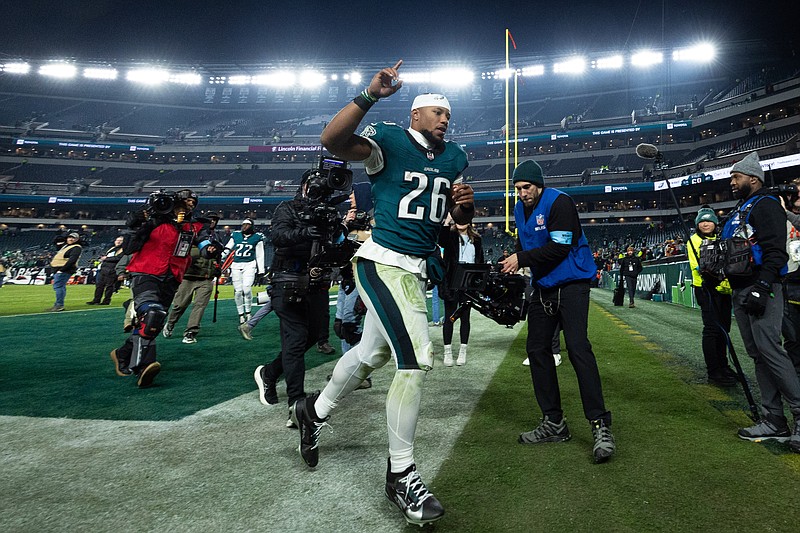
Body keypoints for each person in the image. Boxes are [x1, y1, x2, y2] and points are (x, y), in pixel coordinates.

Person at [292, 60, 474, 527]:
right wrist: (371, 94)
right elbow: (331, 141)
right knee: (413, 361)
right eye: (436, 112)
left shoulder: (455, 157)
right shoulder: (390, 140)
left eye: (447, 114)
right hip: (383, 260)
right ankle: (401, 474)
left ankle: (314, 410)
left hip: (414, 269)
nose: (444, 119)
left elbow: (452, 219)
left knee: (371, 353)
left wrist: (462, 210)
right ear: (415, 116)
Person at [500, 159, 615, 464]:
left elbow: (560, 248)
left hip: (573, 283)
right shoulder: (519, 209)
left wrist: (520, 257)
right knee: (537, 349)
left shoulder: (560, 202)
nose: (522, 193)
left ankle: (600, 423)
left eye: (526, 187)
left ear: (539, 184)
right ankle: (554, 422)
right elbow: (530, 244)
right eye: (518, 189)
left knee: (578, 349)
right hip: (545, 285)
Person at [721, 152, 800, 452]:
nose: (731, 181)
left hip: (760, 287)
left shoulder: (765, 205)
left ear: (752, 179)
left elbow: (775, 252)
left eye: (736, 177)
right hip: (742, 288)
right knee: (757, 353)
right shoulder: (742, 207)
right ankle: (775, 420)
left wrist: (763, 285)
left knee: (770, 350)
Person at [252, 170, 341, 420]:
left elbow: (333, 242)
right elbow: (278, 237)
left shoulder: (330, 213)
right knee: (296, 337)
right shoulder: (287, 207)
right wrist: (305, 232)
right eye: (315, 188)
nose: (319, 194)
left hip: (316, 282)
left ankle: (269, 373)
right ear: (304, 187)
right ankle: (296, 403)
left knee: (312, 336)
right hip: (287, 281)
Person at [109, 189, 218, 388]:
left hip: (172, 278)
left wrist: (209, 249)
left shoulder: (195, 225)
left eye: (194, 201)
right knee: (153, 314)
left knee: (153, 324)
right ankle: (143, 367)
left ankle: (122, 354)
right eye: (186, 201)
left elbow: (204, 244)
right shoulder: (153, 220)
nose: (190, 204)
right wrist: (134, 226)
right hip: (146, 272)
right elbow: (129, 248)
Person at [687, 207, 738, 387]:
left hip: (723, 289)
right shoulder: (693, 240)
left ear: (715, 223)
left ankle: (723, 366)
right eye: (702, 221)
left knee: (724, 328)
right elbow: (697, 266)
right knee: (711, 329)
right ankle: (713, 370)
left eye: (709, 220)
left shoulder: (721, 238)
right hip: (705, 288)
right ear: (697, 224)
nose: (705, 223)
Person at [162, 213, 221, 344]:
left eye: (215, 220)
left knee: (199, 306)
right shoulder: (191, 234)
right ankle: (171, 323)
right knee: (179, 305)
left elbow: (218, 255)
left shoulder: (216, 236)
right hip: (189, 275)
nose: (212, 222)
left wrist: (218, 268)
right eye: (210, 220)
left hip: (206, 277)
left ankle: (191, 331)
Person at [439, 220, 483, 366]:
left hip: (469, 283)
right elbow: (441, 239)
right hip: (452, 282)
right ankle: (448, 352)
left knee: (465, 318)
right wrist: (447, 220)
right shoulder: (450, 236)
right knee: (449, 317)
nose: (461, 222)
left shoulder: (476, 239)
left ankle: (463, 351)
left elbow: (480, 261)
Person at [223, 219, 265, 325]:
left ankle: (248, 312)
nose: (244, 226)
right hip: (236, 265)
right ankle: (241, 315)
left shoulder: (257, 237)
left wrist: (261, 271)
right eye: (243, 224)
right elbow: (228, 248)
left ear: (252, 226)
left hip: (249, 264)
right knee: (238, 292)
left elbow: (260, 255)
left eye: (247, 225)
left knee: (246, 289)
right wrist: (219, 257)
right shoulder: (236, 235)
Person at [48, 232, 82, 312]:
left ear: (77, 240)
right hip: (60, 269)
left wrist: (62, 270)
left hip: (64, 269)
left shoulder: (76, 247)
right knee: (60, 286)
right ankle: (58, 304)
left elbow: (72, 260)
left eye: (73, 238)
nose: (70, 239)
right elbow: (55, 242)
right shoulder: (66, 246)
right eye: (69, 237)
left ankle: (59, 305)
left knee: (58, 287)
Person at [86, 235, 125, 305]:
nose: (118, 242)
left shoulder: (123, 250)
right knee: (99, 285)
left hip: (112, 269)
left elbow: (119, 258)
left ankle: (106, 301)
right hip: (104, 269)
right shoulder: (111, 248)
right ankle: (96, 300)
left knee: (109, 286)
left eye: (120, 240)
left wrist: (106, 259)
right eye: (117, 240)